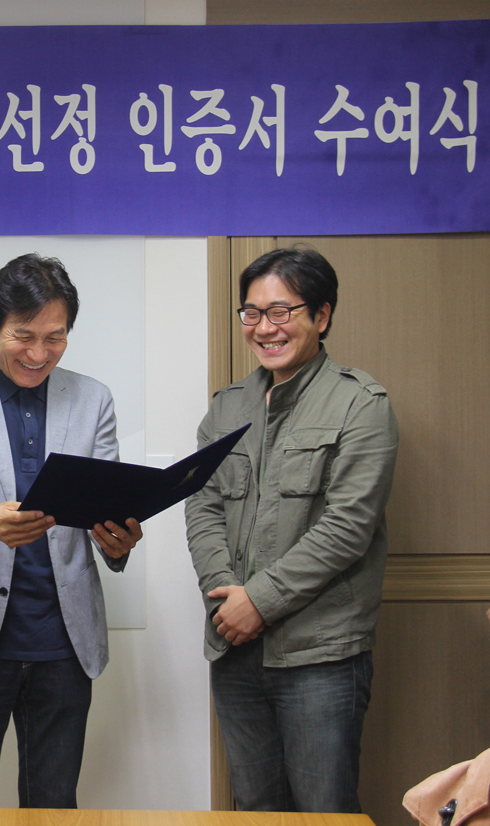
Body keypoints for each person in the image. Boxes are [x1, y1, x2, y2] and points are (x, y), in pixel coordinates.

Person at [0, 253, 142, 808]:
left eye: (55, 338)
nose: (39, 354)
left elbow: (106, 501)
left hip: (63, 643)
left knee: (54, 806)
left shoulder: (93, 399)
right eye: (24, 336)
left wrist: (118, 540)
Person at [185, 247, 399, 813]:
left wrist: (259, 601)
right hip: (233, 647)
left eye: (281, 312)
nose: (264, 328)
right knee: (255, 808)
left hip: (320, 655)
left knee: (325, 810)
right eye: (252, 313)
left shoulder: (361, 404)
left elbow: (347, 528)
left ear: (321, 316)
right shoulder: (226, 408)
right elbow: (202, 506)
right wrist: (225, 597)